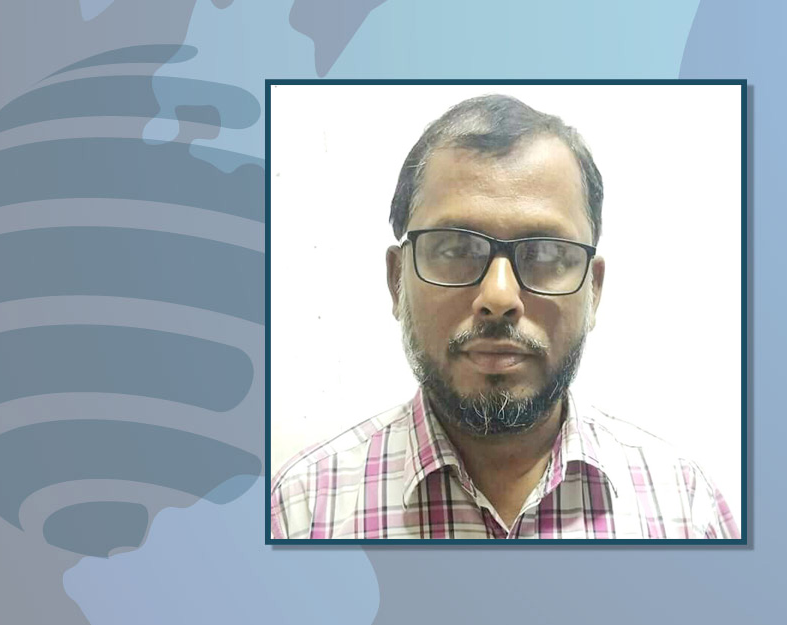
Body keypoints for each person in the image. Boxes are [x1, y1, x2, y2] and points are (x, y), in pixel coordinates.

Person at [271, 94, 738, 539]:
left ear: (593, 289)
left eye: (546, 253)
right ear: (397, 280)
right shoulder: (300, 512)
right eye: (455, 249)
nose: (498, 297)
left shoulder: (686, 510)